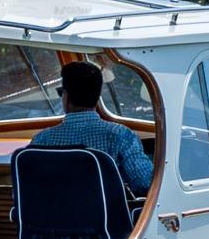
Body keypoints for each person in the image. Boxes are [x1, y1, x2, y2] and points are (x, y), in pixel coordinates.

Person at [30, 60, 154, 194]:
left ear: (66, 97)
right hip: (106, 209)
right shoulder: (121, 136)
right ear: (98, 95)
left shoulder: (41, 140)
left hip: (53, 208)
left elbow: (26, 187)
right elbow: (146, 183)